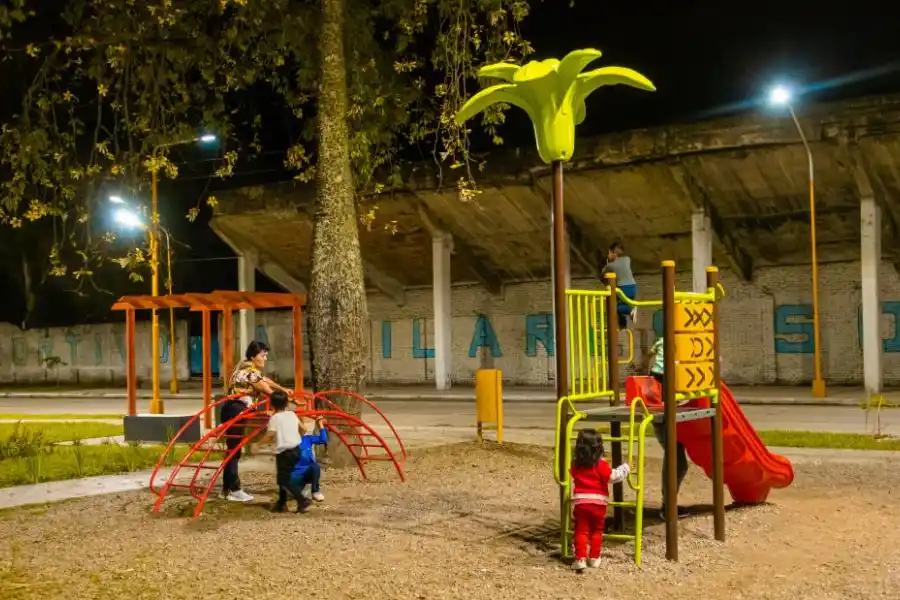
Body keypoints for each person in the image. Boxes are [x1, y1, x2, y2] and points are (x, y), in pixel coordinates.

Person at [220, 340, 290, 503]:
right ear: (253, 356)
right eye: (262, 355)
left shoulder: (247, 368)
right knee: (234, 450)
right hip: (235, 409)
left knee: (233, 449)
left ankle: (227, 489)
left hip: (234, 408)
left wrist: (282, 389)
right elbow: (265, 388)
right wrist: (282, 399)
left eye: (266, 355)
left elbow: (265, 381)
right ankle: (234, 489)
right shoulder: (249, 371)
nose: (265, 358)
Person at [569, 429, 631, 571]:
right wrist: (625, 468)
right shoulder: (600, 464)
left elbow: (572, 473)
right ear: (599, 447)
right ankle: (594, 558)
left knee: (581, 531)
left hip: (581, 503)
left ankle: (580, 559)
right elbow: (612, 477)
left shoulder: (575, 464)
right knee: (597, 531)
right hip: (598, 504)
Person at [645, 336, 689, 519]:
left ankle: (668, 504)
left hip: (657, 378)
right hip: (661, 415)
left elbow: (649, 354)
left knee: (677, 460)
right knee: (677, 461)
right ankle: (667, 507)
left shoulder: (663, 341)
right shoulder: (679, 346)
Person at [262, 390, 310, 513]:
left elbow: (270, 435)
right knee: (285, 477)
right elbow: (304, 429)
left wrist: (257, 444)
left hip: (284, 453)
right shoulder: (292, 414)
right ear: (286, 403)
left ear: (272, 404)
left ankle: (302, 500)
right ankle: (282, 503)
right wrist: (295, 436)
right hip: (296, 450)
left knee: (284, 480)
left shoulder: (275, 418)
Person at [289, 413, 329, 505]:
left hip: (305, 474)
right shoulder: (289, 441)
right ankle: (294, 492)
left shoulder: (307, 439)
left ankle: (315, 491)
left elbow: (323, 440)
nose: (303, 429)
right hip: (294, 476)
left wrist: (320, 424)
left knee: (315, 466)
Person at [601, 242, 637, 329]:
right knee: (620, 306)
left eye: (609, 253)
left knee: (613, 308)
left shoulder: (610, 266)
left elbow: (602, 275)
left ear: (614, 254)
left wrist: (606, 265)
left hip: (623, 288)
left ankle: (630, 310)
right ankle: (623, 325)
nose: (607, 255)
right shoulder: (627, 259)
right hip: (633, 287)